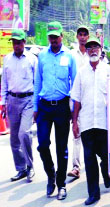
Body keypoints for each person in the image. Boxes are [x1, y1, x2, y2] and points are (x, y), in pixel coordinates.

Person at [34, 21, 77, 200]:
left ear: (62, 36)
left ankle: (61, 184)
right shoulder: (42, 56)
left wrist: (74, 112)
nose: (53, 39)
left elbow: (75, 84)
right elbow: (37, 82)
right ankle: (50, 175)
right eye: (50, 36)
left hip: (61, 106)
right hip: (44, 106)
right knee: (43, 144)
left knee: (62, 148)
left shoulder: (69, 56)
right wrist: (36, 107)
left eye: (56, 36)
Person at [70, 37, 110, 205]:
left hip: (104, 122)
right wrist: (75, 122)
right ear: (86, 51)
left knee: (105, 155)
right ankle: (93, 193)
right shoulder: (81, 72)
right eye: (90, 48)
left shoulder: (108, 70)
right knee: (89, 159)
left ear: (101, 50)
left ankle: (106, 170)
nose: (93, 50)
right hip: (87, 121)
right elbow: (76, 99)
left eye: (96, 47)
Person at [1, 29, 36, 183]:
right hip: (12, 101)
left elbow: (37, 82)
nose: (16, 45)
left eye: (18, 42)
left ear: (24, 42)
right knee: (14, 139)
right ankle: (20, 168)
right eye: (14, 42)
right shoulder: (7, 59)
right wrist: (3, 102)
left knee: (24, 133)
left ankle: (30, 166)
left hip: (28, 99)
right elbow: (4, 82)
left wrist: (36, 105)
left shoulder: (32, 59)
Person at [67, 25, 90, 180]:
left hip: (90, 98)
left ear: (88, 37)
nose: (82, 37)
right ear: (77, 37)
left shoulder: (94, 54)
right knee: (76, 132)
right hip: (75, 98)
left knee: (91, 133)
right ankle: (76, 167)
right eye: (80, 34)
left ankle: (93, 164)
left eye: (85, 35)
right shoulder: (71, 55)